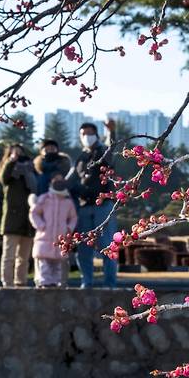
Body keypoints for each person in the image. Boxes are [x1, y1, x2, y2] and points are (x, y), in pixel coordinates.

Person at [68, 120, 117, 288]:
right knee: (83, 248)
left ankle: (110, 284)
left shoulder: (102, 152)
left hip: (103, 205)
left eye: (90, 133)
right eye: (83, 134)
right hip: (84, 206)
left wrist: (111, 132)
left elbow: (111, 151)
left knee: (106, 245)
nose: (86, 137)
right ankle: (86, 282)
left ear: (96, 135)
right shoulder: (81, 158)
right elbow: (70, 179)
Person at [0, 144, 37, 287]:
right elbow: (4, 178)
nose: (18, 155)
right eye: (14, 152)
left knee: (24, 258)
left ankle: (21, 283)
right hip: (12, 220)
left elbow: (37, 187)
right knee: (9, 256)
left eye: (20, 152)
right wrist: (11, 161)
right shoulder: (9, 172)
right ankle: (7, 283)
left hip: (28, 220)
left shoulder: (31, 170)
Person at [29, 174, 77, 288]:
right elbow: (34, 212)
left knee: (57, 264)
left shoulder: (68, 202)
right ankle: (44, 283)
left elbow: (73, 217)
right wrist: (41, 225)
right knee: (44, 264)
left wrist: (69, 228)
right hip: (44, 237)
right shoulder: (44, 199)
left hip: (60, 237)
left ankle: (55, 283)